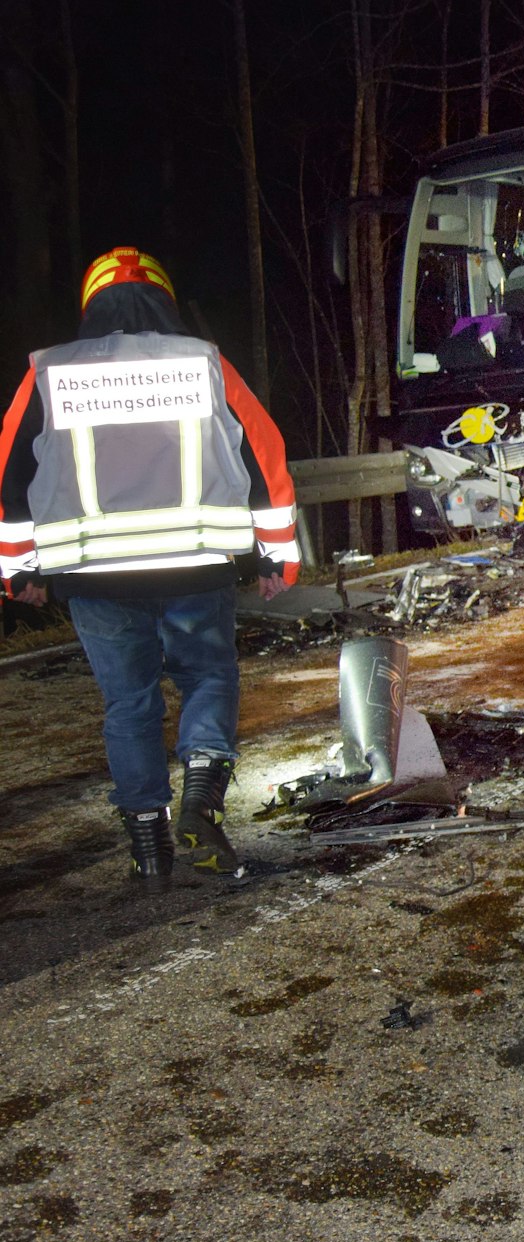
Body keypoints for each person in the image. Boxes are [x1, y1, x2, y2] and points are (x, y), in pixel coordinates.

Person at [0, 247, 301, 882]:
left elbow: (9, 474)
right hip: (196, 565)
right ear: (165, 300)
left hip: (93, 576)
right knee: (207, 679)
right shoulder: (205, 362)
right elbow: (263, 454)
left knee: (129, 704)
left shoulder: (49, 372)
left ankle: (148, 849)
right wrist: (275, 555)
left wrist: (20, 571)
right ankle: (201, 801)